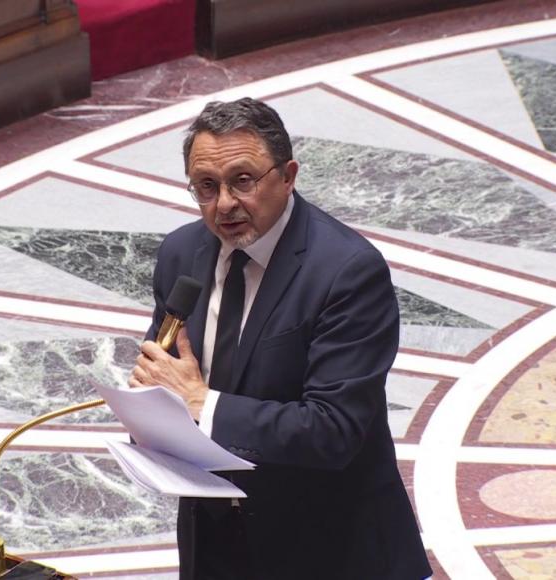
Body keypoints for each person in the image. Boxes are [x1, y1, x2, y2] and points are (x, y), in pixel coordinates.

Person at [129, 97, 431, 579]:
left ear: (287, 176)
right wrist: (149, 410)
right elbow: (168, 377)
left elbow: (334, 430)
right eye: (206, 187)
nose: (224, 204)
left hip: (329, 551)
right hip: (214, 545)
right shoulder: (180, 254)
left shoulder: (346, 272)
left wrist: (201, 403)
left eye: (242, 180)